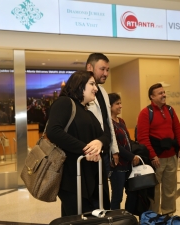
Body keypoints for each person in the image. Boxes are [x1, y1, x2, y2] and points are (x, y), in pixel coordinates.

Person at [46, 71, 111, 216]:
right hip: (73, 178)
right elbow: (53, 131)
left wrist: (99, 142)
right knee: (76, 218)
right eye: (92, 84)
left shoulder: (87, 112)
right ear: (79, 85)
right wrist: (86, 149)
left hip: (92, 177)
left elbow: (106, 136)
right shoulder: (64, 103)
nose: (96, 88)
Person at [136, 83, 180, 215]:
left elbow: (177, 130)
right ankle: (154, 215)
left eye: (164, 92)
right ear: (152, 97)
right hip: (156, 159)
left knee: (170, 188)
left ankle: (168, 214)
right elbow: (142, 138)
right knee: (154, 189)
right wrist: (152, 155)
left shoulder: (170, 110)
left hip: (171, 156)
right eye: (160, 93)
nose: (164, 95)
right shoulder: (146, 113)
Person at [86, 53, 119, 175]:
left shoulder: (103, 92)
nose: (105, 74)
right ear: (90, 67)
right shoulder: (80, 93)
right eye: (102, 69)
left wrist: (114, 149)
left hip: (104, 151)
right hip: (89, 153)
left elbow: (108, 122)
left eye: (107, 70)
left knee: (104, 191)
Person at [108, 93, 140, 213]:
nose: (120, 106)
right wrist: (131, 156)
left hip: (128, 165)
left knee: (132, 192)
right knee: (117, 196)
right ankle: (115, 219)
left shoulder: (121, 121)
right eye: (117, 104)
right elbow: (116, 146)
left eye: (121, 103)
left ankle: (127, 217)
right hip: (118, 166)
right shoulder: (108, 123)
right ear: (109, 106)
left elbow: (127, 141)